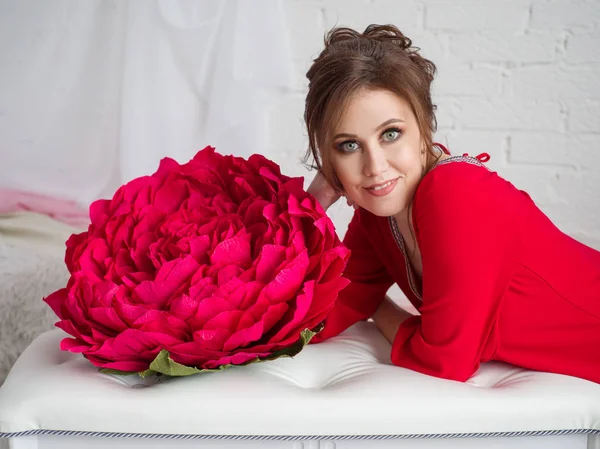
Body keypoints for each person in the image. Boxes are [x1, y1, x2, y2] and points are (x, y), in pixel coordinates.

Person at [304, 24, 600, 384]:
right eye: (348, 145)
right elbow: (314, 319)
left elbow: (443, 362)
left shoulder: (456, 192)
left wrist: (379, 309)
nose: (375, 167)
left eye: (391, 134)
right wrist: (313, 204)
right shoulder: (378, 213)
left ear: (425, 126)